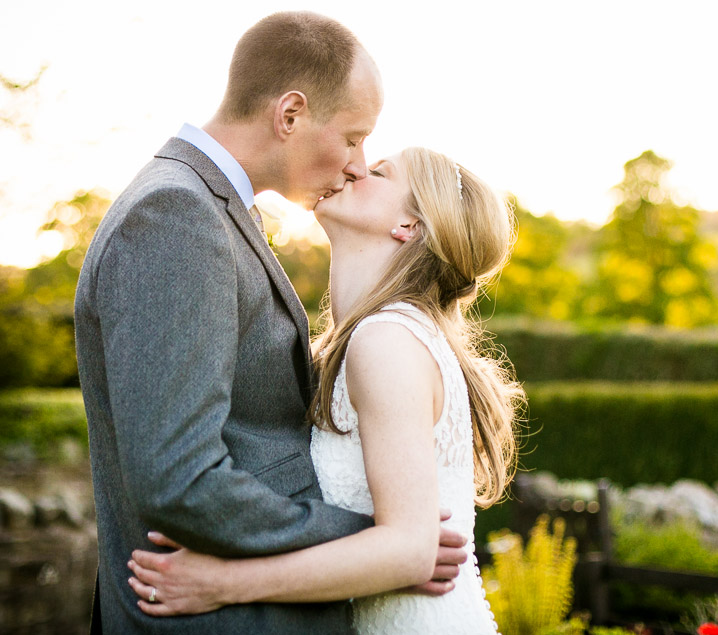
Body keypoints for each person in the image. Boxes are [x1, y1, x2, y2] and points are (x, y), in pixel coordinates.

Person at [74, 12, 466, 634]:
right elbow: (180, 479)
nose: (358, 163)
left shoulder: (214, 212)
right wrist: (375, 543)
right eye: (354, 136)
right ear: (290, 115)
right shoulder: (176, 214)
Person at [125, 147, 523, 634]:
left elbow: (410, 551)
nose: (354, 166)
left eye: (379, 172)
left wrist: (223, 583)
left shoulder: (386, 341)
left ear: (408, 226)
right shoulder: (369, 339)